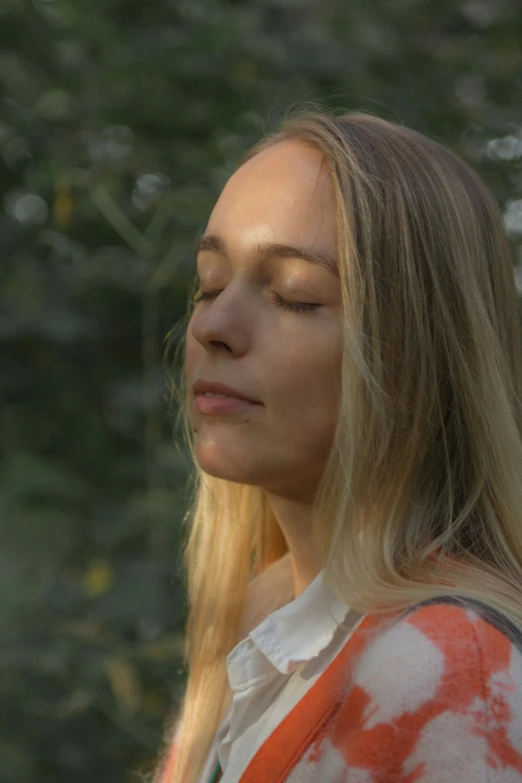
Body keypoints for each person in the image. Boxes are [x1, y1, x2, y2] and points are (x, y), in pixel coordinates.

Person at [154, 108, 522, 783]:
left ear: (420, 350)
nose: (214, 325)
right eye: (209, 282)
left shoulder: (448, 672)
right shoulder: (260, 636)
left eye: (294, 295)